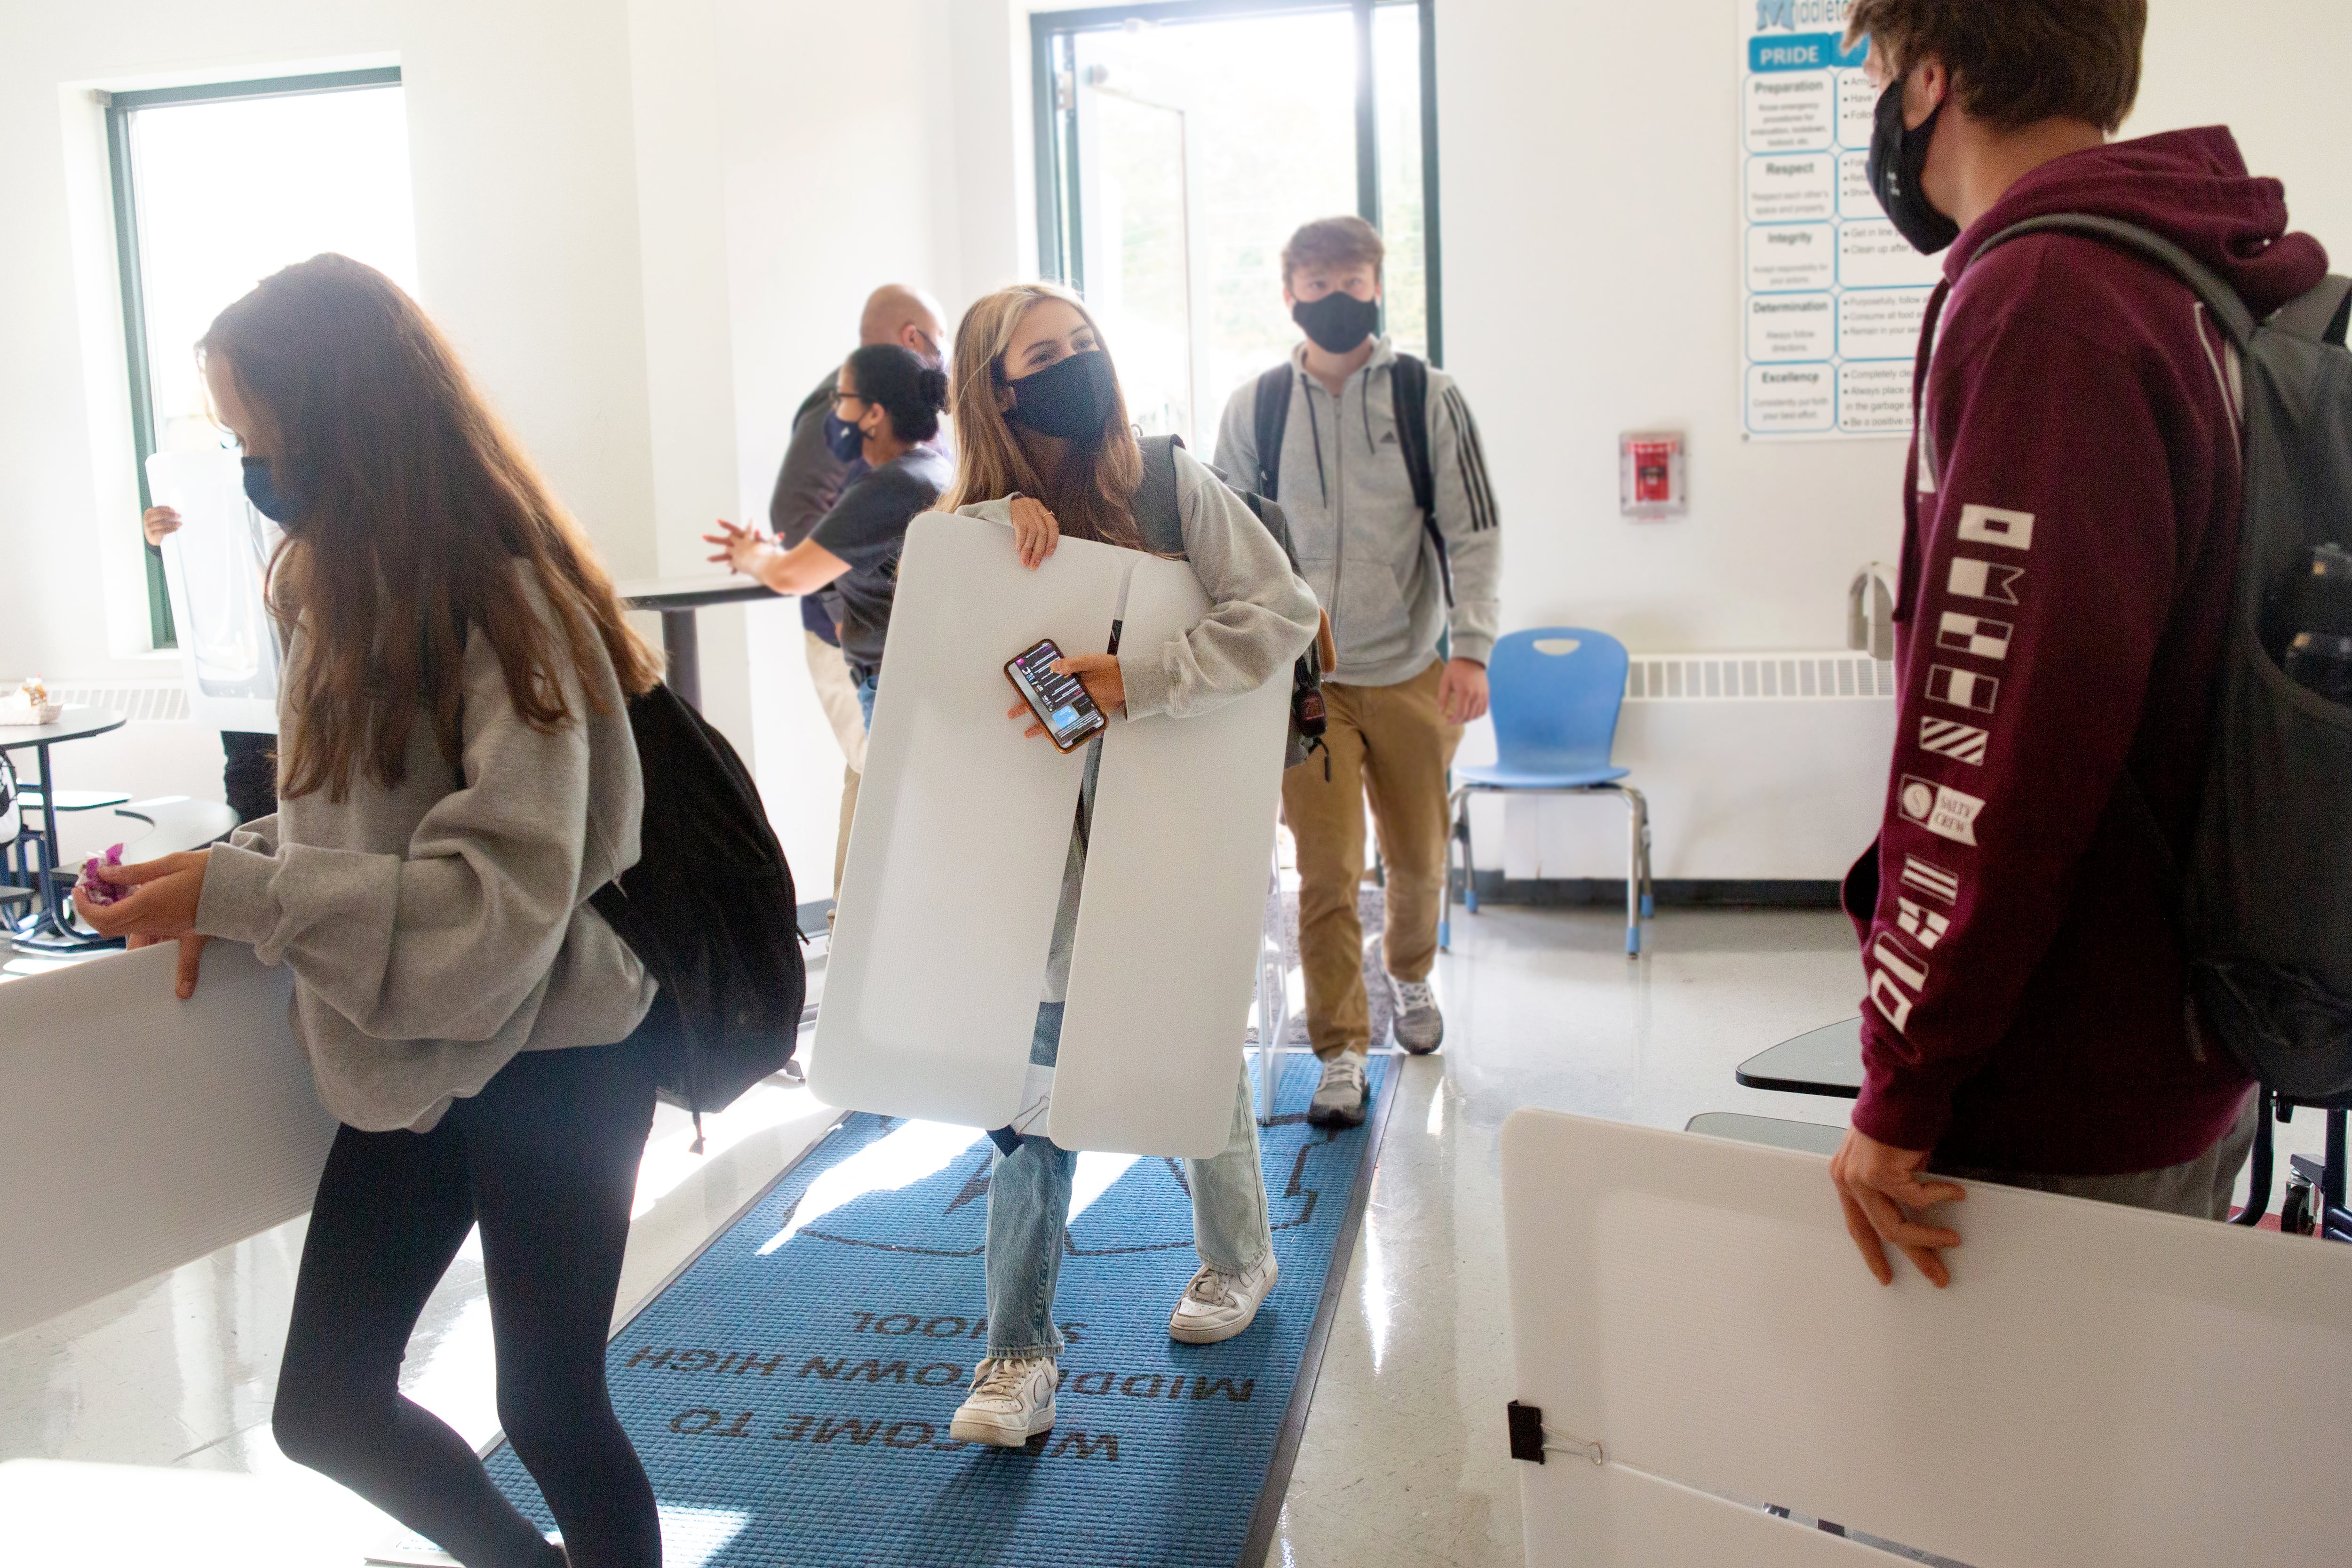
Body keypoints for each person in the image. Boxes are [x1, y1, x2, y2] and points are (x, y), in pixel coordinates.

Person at [78, 254, 670, 1568]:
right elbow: (349, 823)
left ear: (348, 421)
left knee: (552, 1406)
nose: (254, 472)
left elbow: (501, 900)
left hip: (557, 1051)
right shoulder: (331, 586)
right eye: (239, 445)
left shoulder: (511, 598)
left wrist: (247, 890)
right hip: (413, 1053)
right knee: (327, 1405)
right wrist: (213, 877)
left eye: (263, 439)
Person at [1824, 0, 2316, 1289]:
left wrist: (1905, 1081)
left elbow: (1999, 746)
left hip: (2065, 1076)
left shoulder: (2046, 304)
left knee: (2013, 1423)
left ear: (1930, 78)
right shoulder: (2183, 278)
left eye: (1878, 69)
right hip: (2178, 1027)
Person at [934, 282, 1320, 1449]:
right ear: (996, 391)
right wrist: (996, 541)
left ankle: (1238, 1255)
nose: (1076, 363)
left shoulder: (1163, 480)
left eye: (1085, 343)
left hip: (1171, 824)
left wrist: (1139, 680)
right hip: (1042, 857)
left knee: (1188, 1044)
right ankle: (1017, 1351)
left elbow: (1280, 610)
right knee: (1036, 1087)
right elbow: (963, 682)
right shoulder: (968, 529)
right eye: (1044, 354)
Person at [1213, 215, 1501, 1127]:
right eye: (1317, 284)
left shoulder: (1426, 397)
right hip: (1309, 682)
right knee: (1326, 871)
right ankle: (1339, 1049)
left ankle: (1409, 974)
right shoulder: (1256, 408)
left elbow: (1473, 530)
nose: (1335, 298)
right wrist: (1242, 661)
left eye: (1352, 281)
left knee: (1416, 858)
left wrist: (1472, 646)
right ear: (1289, 294)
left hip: (1413, 669)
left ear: (1377, 286)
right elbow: (1223, 537)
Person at [768, 285, 947, 897]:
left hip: (889, 643)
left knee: (871, 781)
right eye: (940, 343)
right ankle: (860, 935)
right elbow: (794, 512)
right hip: (853, 641)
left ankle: (854, 933)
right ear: (912, 338)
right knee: (882, 786)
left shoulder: (909, 424)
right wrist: (839, 610)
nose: (944, 360)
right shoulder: (841, 406)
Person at [704, 343, 955, 720]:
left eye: (842, 400)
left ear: (873, 414)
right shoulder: (931, 469)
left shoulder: (888, 487)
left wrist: (747, 554)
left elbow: (791, 576)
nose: (835, 414)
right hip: (919, 682)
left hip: (897, 690)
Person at [140, 502, 278, 824]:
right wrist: (160, 542)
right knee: (250, 788)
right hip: (242, 672)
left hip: (299, 664)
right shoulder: (217, 509)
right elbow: (201, 568)